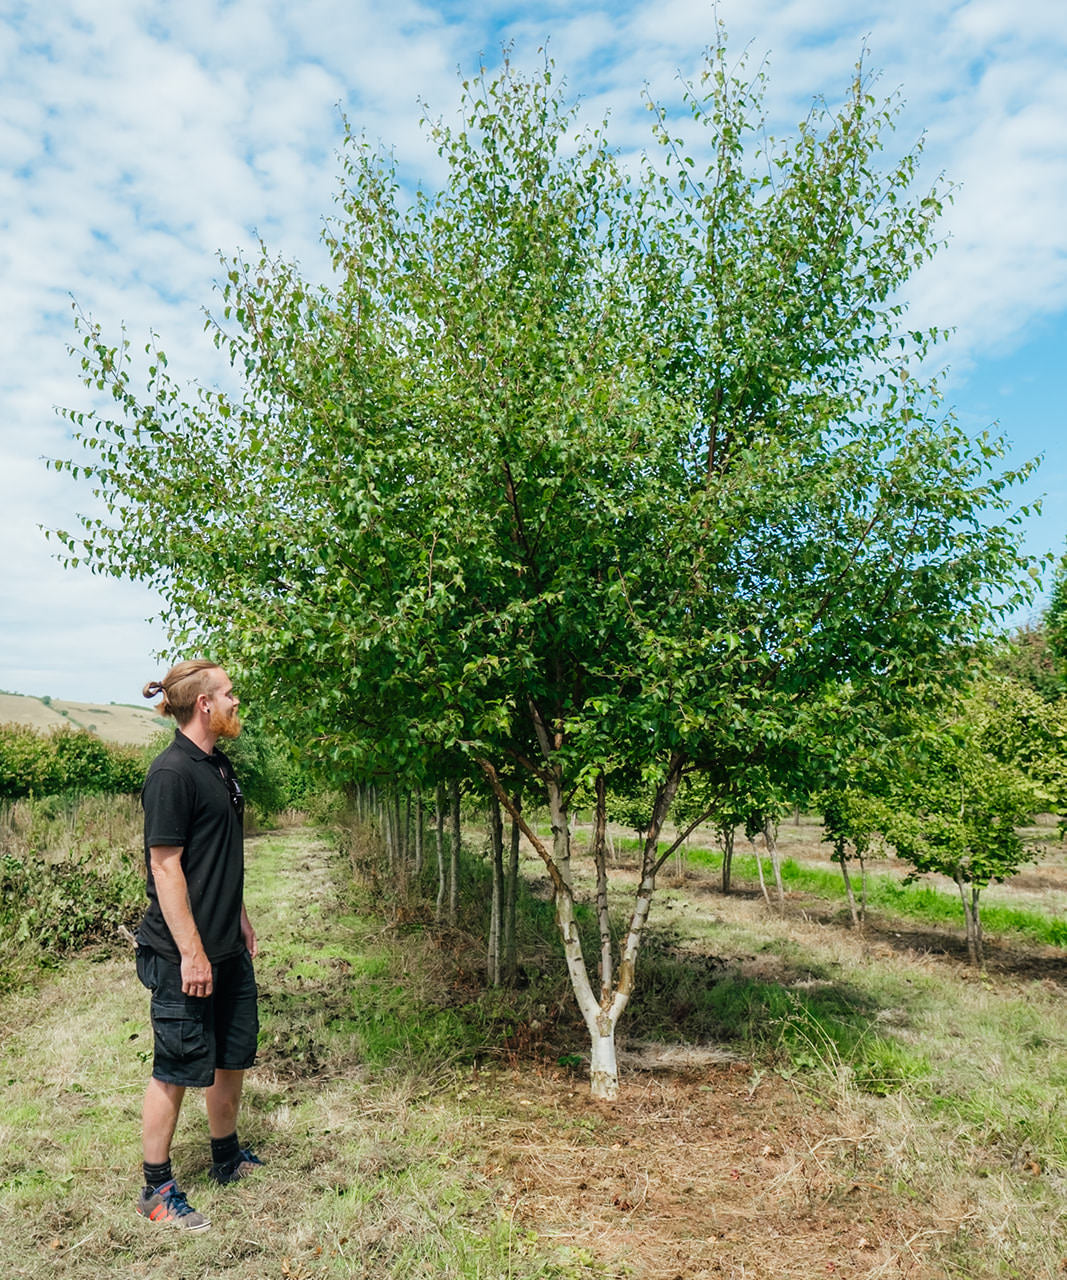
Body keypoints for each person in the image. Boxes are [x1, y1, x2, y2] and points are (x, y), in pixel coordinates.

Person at [133, 659, 262, 1231]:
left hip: (226, 946)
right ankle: (156, 1188)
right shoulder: (171, 774)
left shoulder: (219, 767)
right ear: (204, 704)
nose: (236, 702)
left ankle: (226, 1157)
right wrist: (191, 952)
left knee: (231, 1055)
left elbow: (220, 855)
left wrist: (239, 917)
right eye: (229, 694)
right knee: (177, 1066)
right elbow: (166, 867)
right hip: (181, 954)